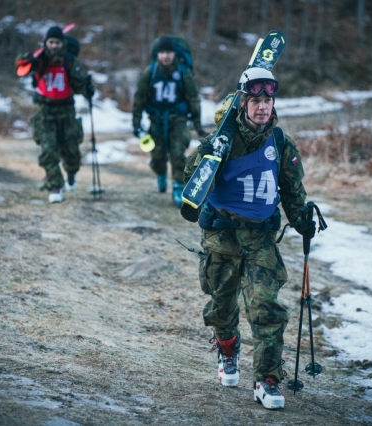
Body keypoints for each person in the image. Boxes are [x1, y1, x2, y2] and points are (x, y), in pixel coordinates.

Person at [183, 67, 316, 409]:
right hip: (222, 237)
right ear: (243, 102)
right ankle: (228, 347)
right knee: (221, 307)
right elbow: (192, 179)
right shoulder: (223, 140)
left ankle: (267, 379)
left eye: (268, 100)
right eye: (255, 100)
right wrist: (211, 151)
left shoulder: (280, 142)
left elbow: (292, 190)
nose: (262, 107)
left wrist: (302, 218)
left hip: (261, 241)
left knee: (267, 309)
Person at [15, 26, 95, 203]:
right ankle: (55, 186)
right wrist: (26, 60)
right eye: (51, 42)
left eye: (57, 42)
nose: (54, 46)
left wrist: (88, 88)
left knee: (71, 151)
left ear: (62, 43)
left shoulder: (70, 62)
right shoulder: (39, 60)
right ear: (46, 43)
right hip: (44, 112)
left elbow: (81, 83)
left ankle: (71, 172)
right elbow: (22, 66)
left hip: (66, 112)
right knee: (48, 151)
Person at [132, 35, 207, 208]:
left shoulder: (183, 73)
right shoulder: (150, 72)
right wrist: (136, 123)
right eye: (162, 52)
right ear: (157, 54)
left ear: (174, 54)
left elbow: (193, 99)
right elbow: (139, 99)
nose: (165, 56)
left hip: (178, 120)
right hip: (156, 120)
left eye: (169, 53)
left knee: (177, 153)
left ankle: (178, 187)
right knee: (157, 156)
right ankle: (160, 173)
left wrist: (198, 125)